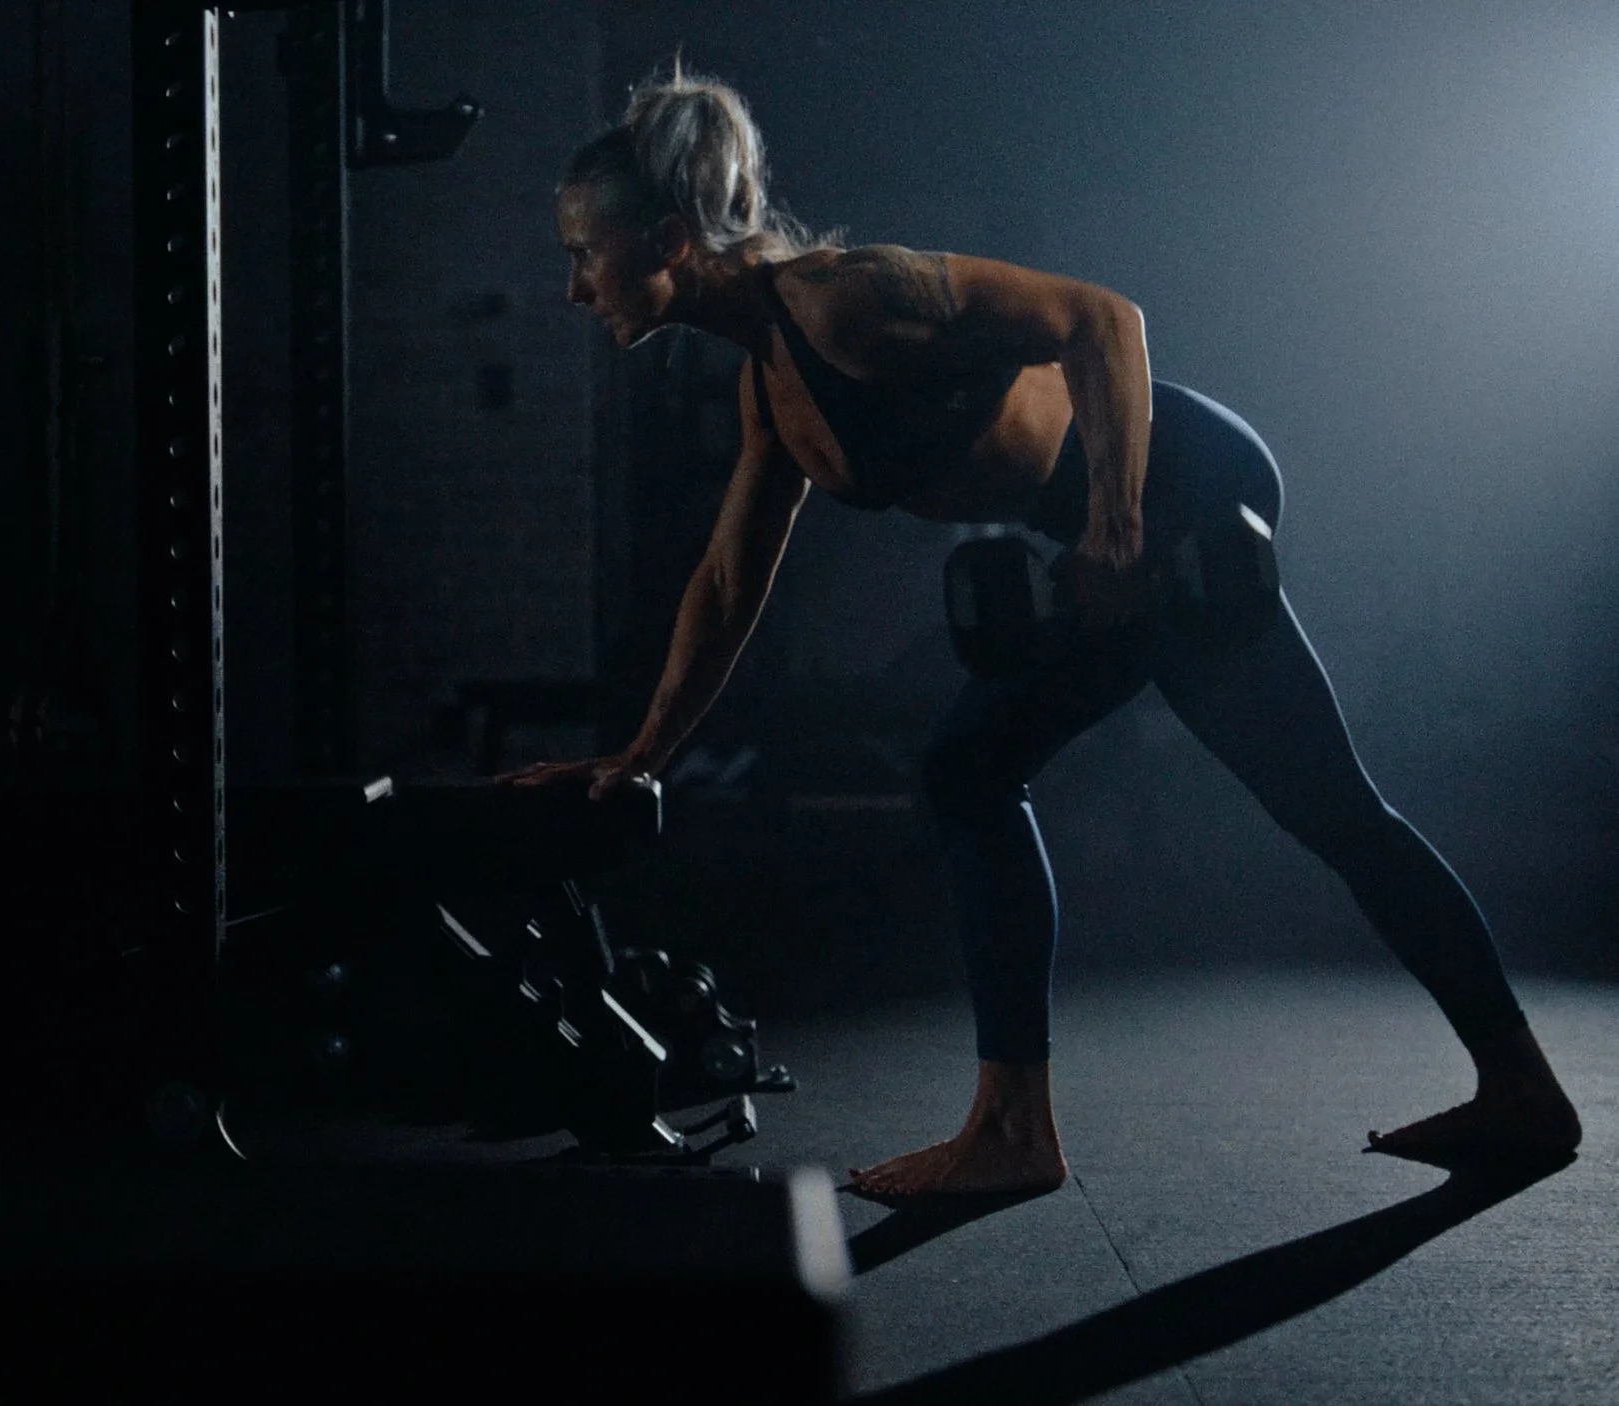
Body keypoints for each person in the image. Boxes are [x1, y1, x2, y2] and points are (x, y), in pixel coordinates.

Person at [498, 66, 1581, 1194]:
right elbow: (726, 580)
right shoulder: (770, 385)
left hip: (1182, 496)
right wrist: (639, 760)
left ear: (669, 237)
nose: (576, 285)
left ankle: (1022, 1134)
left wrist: (1114, 523)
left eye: (584, 252)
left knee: (1096, 783)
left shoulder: (843, 298)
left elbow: (1101, 319)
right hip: (1112, 530)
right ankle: (1514, 1089)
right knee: (1070, 781)